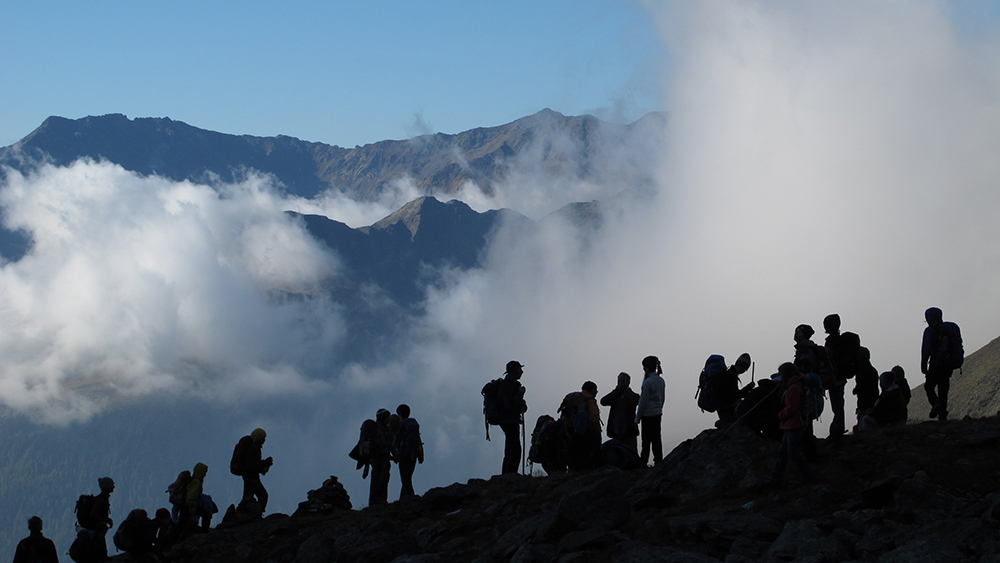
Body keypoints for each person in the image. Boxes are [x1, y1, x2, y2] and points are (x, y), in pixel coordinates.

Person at [770, 363, 812, 486]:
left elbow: (791, 408)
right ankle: (776, 479)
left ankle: (807, 476)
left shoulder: (794, 388)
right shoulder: (796, 385)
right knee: (784, 451)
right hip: (792, 423)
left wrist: (780, 415)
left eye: (781, 374)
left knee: (791, 452)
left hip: (794, 423)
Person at [921, 307, 963, 420]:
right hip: (948, 364)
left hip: (936, 364)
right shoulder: (950, 329)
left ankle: (936, 405)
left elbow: (926, 349)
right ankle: (942, 415)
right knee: (943, 389)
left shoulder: (929, 331)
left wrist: (923, 366)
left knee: (929, 387)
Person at [823, 314, 861, 440]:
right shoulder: (841, 340)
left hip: (834, 377)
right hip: (840, 377)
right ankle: (838, 429)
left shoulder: (831, 341)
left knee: (837, 406)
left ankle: (837, 430)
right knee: (839, 405)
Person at [498, 361, 528, 474]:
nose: (522, 372)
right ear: (514, 371)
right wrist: (520, 394)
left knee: (511, 448)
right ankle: (510, 475)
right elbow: (512, 406)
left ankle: (507, 474)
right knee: (514, 449)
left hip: (507, 420)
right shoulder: (508, 386)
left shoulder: (509, 385)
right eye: (520, 369)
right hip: (510, 419)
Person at [635, 356, 665, 466]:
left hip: (647, 415)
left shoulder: (647, 382)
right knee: (657, 438)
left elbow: (643, 402)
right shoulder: (660, 380)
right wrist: (659, 408)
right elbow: (663, 398)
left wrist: (637, 417)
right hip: (657, 413)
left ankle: (643, 463)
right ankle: (659, 461)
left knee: (646, 440)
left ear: (646, 368)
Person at [600, 372, 640, 452]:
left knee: (631, 452)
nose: (620, 383)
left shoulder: (633, 395)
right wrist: (616, 391)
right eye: (619, 381)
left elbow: (636, 400)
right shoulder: (615, 395)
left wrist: (626, 392)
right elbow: (603, 401)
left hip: (629, 429)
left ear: (628, 382)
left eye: (623, 381)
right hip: (616, 430)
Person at [237, 428, 273, 513]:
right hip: (251, 477)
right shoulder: (253, 448)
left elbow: (253, 463)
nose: (264, 440)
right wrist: (263, 467)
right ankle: (256, 514)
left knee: (248, 497)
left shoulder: (253, 447)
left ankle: (242, 513)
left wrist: (264, 463)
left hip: (248, 476)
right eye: (263, 438)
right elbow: (252, 465)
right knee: (263, 495)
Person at [395, 404, 423, 500]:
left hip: (404, 453)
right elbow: (416, 439)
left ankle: (411, 497)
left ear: (400, 413)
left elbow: (410, 439)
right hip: (413, 454)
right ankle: (404, 498)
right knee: (407, 477)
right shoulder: (413, 424)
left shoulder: (403, 425)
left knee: (405, 478)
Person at [368, 408, 395, 506]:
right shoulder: (379, 429)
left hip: (380, 458)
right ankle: (377, 501)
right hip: (379, 458)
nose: (389, 419)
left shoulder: (382, 429)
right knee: (380, 479)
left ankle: (378, 501)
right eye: (388, 417)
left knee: (381, 479)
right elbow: (383, 443)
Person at [89, 477, 115, 561]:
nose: (113, 486)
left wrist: (106, 519)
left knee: (100, 540)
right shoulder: (101, 499)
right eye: (112, 485)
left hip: (96, 526)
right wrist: (103, 520)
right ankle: (102, 557)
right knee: (99, 540)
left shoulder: (103, 498)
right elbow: (93, 514)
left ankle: (102, 557)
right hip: (96, 527)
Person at [182, 462, 214, 532]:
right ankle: (204, 531)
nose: (205, 474)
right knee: (206, 515)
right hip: (190, 506)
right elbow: (192, 495)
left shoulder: (193, 480)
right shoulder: (196, 482)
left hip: (186, 507)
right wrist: (192, 505)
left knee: (183, 524)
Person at [853, 347, 879, 429]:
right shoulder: (872, 370)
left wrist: (856, 390)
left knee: (863, 425)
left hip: (864, 403)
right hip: (872, 402)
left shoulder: (861, 370)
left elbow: (862, 385)